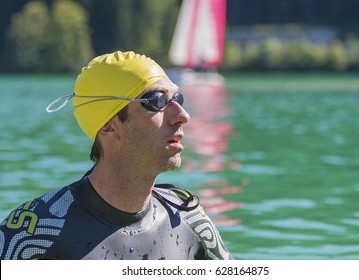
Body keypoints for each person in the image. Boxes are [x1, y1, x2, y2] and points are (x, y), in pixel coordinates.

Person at [0, 51, 233, 260]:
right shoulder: (38, 232)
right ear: (108, 126)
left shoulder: (188, 219)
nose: (182, 115)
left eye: (177, 99)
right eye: (157, 101)